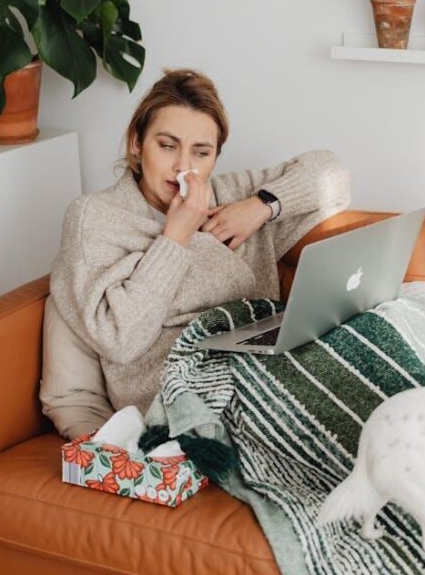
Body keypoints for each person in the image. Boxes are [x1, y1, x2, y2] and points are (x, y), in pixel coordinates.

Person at [40, 69, 351, 439]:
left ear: (215, 157)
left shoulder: (229, 197)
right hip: (177, 405)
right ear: (136, 143)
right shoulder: (96, 218)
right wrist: (175, 237)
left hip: (264, 376)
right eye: (167, 146)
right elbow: (120, 340)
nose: (183, 166)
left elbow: (333, 174)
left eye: (201, 152)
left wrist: (262, 206)